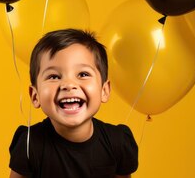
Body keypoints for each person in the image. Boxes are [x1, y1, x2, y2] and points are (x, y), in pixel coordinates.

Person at [9, 29, 138, 178]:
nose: (69, 85)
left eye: (83, 74)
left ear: (104, 90)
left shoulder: (117, 142)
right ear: (35, 95)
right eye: (54, 76)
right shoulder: (29, 145)